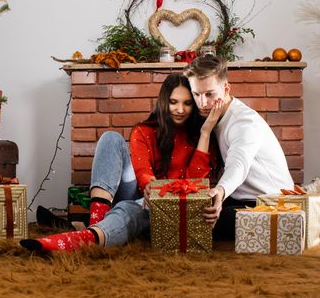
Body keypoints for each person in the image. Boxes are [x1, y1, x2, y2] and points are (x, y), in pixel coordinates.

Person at [20, 73, 224, 252]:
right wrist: (152, 191)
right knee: (111, 138)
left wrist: (205, 133)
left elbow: (194, 185)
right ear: (164, 102)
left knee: (129, 208)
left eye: (187, 103)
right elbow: (144, 177)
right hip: (145, 196)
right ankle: (96, 223)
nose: (180, 109)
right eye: (173, 102)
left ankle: (84, 235)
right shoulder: (144, 131)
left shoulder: (202, 137)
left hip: (171, 210)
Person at [183, 55, 294, 240]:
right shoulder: (214, 115)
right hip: (243, 199)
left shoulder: (244, 122)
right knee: (190, 215)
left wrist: (220, 190)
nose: (202, 103)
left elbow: (238, 164)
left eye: (209, 94)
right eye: (196, 94)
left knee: (196, 224)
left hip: (274, 203)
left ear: (226, 88)